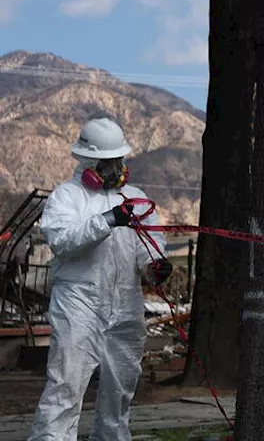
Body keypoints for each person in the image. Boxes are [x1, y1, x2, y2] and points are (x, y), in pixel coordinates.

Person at [28, 117, 171, 441]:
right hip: (80, 302)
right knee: (66, 384)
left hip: (125, 302)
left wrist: (154, 266)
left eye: (118, 160)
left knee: (120, 387)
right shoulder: (67, 196)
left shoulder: (135, 198)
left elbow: (150, 245)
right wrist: (107, 220)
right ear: (89, 162)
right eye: (107, 162)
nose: (115, 168)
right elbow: (62, 240)